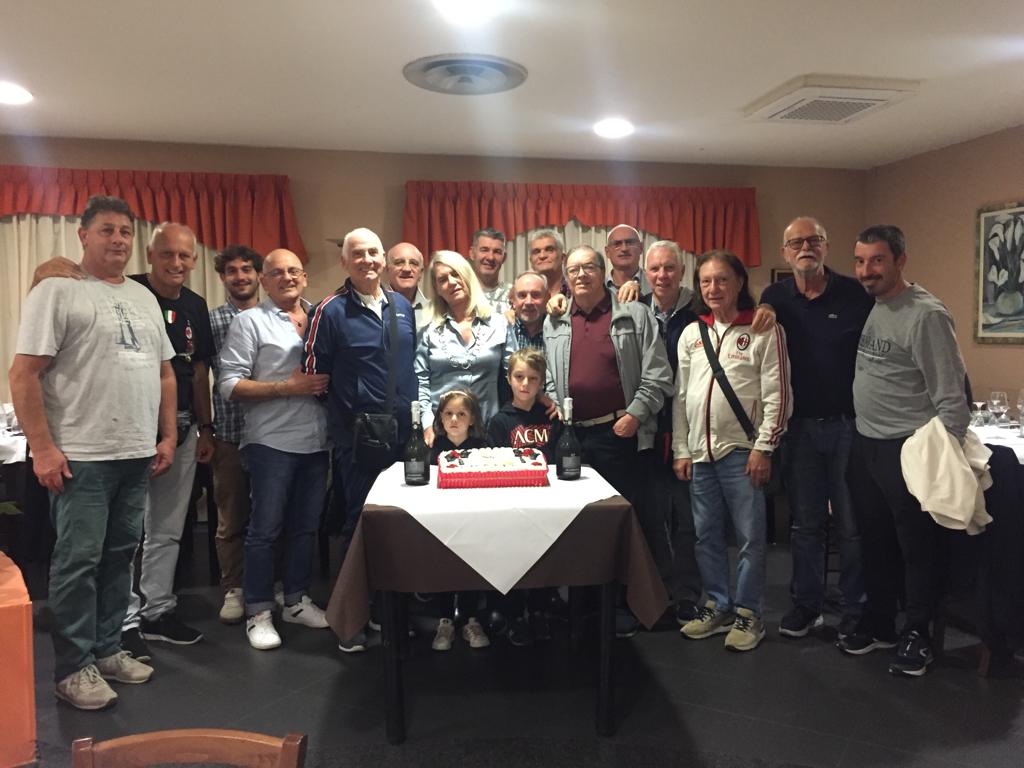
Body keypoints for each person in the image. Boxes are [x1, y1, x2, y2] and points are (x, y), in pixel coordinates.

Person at [9, 195, 175, 710]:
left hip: (135, 452)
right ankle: (72, 667)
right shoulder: (57, 289)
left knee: (119, 556)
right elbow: (24, 374)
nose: (118, 239)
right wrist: (42, 449)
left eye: (125, 231)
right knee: (78, 562)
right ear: (83, 235)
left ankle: (106, 650)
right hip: (81, 454)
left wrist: (167, 436)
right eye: (106, 230)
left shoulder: (144, 297)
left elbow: (165, 373)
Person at [31, 222, 216, 657]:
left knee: (166, 531)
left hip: (178, 432)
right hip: (119, 438)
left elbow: (196, 371)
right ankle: (124, 622)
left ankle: (157, 611)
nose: (176, 262)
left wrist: (204, 428)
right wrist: (43, 271)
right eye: (166, 253)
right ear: (149, 256)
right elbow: (53, 292)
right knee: (120, 540)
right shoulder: (124, 290)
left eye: (184, 255)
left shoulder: (195, 305)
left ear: (193, 260)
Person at [841, 224, 971, 677]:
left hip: (910, 449)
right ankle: (881, 622)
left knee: (917, 548)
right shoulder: (876, 304)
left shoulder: (926, 314)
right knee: (876, 540)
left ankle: (918, 633)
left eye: (877, 260)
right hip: (867, 444)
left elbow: (952, 396)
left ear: (900, 260)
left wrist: (944, 460)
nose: (866, 271)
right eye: (860, 261)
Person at [304, 228, 418, 652]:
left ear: (383, 258)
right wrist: (349, 412)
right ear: (345, 262)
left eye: (373, 252)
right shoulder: (329, 310)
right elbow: (315, 375)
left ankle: (385, 612)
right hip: (359, 437)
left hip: (403, 433)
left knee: (397, 522)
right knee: (358, 523)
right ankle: (350, 620)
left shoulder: (401, 306)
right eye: (358, 254)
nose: (367, 260)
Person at [673, 249, 792, 653]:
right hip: (700, 454)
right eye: (706, 281)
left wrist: (764, 447)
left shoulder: (763, 330)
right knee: (705, 536)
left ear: (739, 282)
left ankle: (748, 613)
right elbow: (681, 397)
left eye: (722, 279)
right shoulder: (692, 333)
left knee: (749, 538)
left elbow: (778, 396)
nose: (713, 288)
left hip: (743, 452)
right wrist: (681, 448)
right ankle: (717, 604)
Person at [760, 217, 872, 640]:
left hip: (849, 426)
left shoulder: (855, 294)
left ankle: (856, 609)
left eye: (813, 240)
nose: (805, 247)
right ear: (785, 252)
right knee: (805, 524)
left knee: (850, 525)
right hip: (799, 428)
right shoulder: (774, 296)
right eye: (796, 242)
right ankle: (807, 606)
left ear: (825, 246)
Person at [219, 249, 331, 651]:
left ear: (304, 277)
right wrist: (287, 387)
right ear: (264, 281)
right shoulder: (249, 322)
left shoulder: (321, 317)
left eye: (294, 271)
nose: (287, 278)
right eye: (277, 272)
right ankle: (259, 610)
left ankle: (296, 600)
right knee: (264, 531)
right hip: (271, 442)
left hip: (317, 440)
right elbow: (229, 384)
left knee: (305, 527)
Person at [637, 241, 702, 624]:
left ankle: (688, 593)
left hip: (689, 428)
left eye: (669, 268)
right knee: (652, 517)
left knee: (687, 520)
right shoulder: (634, 309)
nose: (662, 275)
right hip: (646, 429)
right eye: (655, 268)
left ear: (682, 271)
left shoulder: (700, 310)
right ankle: (658, 591)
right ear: (646, 273)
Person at [487, 348, 562, 646]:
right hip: (513, 501)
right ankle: (515, 613)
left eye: (532, 378)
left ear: (541, 382)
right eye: (519, 377)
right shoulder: (500, 422)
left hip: (545, 499)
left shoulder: (552, 418)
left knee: (544, 556)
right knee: (514, 557)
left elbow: (559, 458)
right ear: (508, 379)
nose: (525, 384)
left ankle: (540, 609)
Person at [208, 244, 262, 624]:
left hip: (272, 434)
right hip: (228, 431)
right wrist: (205, 428)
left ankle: (272, 583)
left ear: (258, 274)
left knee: (272, 514)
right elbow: (201, 375)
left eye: (247, 269)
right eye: (232, 271)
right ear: (223, 277)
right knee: (231, 516)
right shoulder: (212, 321)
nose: (240, 276)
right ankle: (235, 587)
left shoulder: (278, 317)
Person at [416, 250, 516, 444]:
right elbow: (421, 383)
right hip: (441, 432)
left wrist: (539, 396)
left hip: (488, 430)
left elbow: (515, 373)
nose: (451, 282)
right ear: (437, 288)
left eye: (456, 274)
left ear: (467, 276)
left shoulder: (499, 324)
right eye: (443, 279)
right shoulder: (428, 330)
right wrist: (427, 424)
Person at [429, 389, 491, 651]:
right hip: (442, 520)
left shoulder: (482, 448)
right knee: (443, 567)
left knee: (471, 567)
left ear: (473, 418)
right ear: (441, 418)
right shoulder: (433, 449)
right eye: (449, 414)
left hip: (474, 519)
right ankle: (445, 620)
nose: (454, 419)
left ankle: (470, 619)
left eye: (462, 414)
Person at [385, 242, 430, 330]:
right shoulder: (376, 309)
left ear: (421, 273)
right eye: (399, 263)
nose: (407, 269)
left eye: (413, 263)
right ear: (387, 270)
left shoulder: (434, 311)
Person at [468, 227, 512, 313]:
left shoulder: (514, 294)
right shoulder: (460, 293)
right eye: (484, 250)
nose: (490, 257)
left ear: (504, 257)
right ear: (472, 253)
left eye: (497, 252)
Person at [605, 224, 651, 296]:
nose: (624, 249)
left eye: (630, 243)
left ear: (641, 248)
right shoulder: (597, 288)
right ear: (607, 252)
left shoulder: (655, 284)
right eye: (617, 244)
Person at [509, 270, 549, 350]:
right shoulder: (504, 331)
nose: (528, 302)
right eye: (522, 295)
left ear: (547, 298)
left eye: (536, 295)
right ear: (513, 300)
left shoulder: (558, 331)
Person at [528, 230, 569, 300]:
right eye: (536, 252)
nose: (542, 256)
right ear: (531, 261)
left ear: (563, 258)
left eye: (549, 250)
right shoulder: (524, 294)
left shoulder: (574, 290)